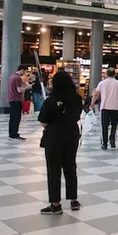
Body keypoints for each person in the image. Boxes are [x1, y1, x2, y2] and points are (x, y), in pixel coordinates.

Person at [38, 71, 83, 215]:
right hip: (72, 134)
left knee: (54, 168)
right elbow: (77, 116)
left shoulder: (50, 100)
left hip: (54, 136)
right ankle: (73, 199)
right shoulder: (77, 99)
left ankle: (56, 204)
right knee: (70, 166)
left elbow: (43, 122)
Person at [90, 68, 118, 150]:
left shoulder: (102, 83)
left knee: (104, 126)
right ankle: (112, 141)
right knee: (114, 125)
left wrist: (92, 103)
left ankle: (105, 144)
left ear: (106, 74)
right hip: (115, 107)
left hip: (104, 107)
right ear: (114, 74)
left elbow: (96, 94)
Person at [8, 65, 28, 140]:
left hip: (11, 98)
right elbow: (19, 90)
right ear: (22, 70)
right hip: (16, 99)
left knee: (12, 117)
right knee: (16, 117)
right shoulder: (17, 78)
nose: (25, 73)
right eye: (25, 71)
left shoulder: (12, 76)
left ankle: (11, 133)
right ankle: (14, 134)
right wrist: (27, 87)